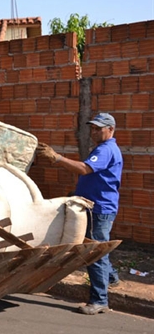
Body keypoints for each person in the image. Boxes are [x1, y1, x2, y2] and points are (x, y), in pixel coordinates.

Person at [37, 112, 122, 315]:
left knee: (93, 253)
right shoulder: (104, 148)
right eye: (92, 128)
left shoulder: (106, 149)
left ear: (110, 129)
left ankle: (100, 301)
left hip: (99, 209)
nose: (93, 132)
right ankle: (111, 278)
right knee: (99, 247)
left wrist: (57, 158)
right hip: (98, 205)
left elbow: (85, 169)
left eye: (98, 128)